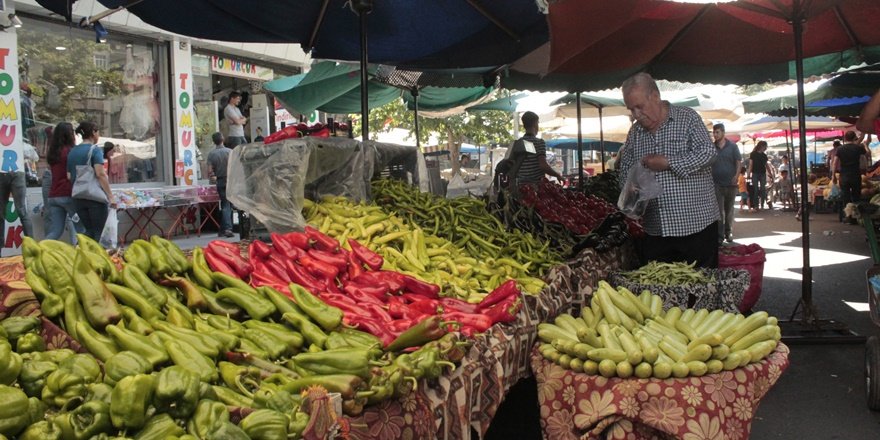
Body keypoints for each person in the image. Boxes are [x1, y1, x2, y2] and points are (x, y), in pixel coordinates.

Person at [617, 72, 719, 268]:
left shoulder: (687, 118)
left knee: (700, 289)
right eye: (631, 109)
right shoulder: (635, 133)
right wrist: (633, 190)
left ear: (655, 96)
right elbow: (625, 173)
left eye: (640, 107)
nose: (637, 114)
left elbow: (708, 153)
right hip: (657, 230)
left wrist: (669, 163)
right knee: (661, 290)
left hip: (696, 226)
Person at [68, 121, 115, 241]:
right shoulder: (95, 150)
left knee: (88, 231)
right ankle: (99, 258)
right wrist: (110, 196)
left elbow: (69, 176)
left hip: (78, 197)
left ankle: (86, 256)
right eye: (98, 132)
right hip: (95, 199)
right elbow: (100, 174)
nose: (98, 135)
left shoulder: (72, 151)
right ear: (93, 132)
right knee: (99, 232)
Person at [45, 122, 85, 241]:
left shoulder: (53, 152)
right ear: (70, 134)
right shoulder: (71, 152)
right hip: (68, 194)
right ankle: (80, 253)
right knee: (80, 229)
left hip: (54, 195)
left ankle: (40, 251)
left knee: (55, 231)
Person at [507, 111, 563, 196]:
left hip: (519, 188)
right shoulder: (539, 142)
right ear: (535, 124)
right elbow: (543, 165)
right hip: (535, 189)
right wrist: (557, 175)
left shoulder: (518, 143)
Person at [711, 123, 741, 244]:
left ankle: (728, 233)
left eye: (717, 132)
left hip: (731, 183)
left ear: (723, 132)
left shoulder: (733, 147)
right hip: (716, 184)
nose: (715, 135)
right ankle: (719, 236)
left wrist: (736, 175)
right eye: (714, 132)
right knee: (718, 212)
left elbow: (738, 162)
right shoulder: (711, 147)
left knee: (729, 210)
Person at [832, 130, 867, 223]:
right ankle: (856, 217)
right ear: (854, 138)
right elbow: (867, 154)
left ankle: (849, 217)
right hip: (855, 175)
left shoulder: (840, 149)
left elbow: (835, 163)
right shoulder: (858, 147)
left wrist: (833, 175)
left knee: (846, 197)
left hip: (844, 175)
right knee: (856, 196)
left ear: (845, 138)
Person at [207, 132, 234, 238]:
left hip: (220, 181)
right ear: (223, 139)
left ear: (214, 142)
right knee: (227, 205)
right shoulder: (230, 152)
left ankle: (222, 230)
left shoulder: (211, 154)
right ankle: (228, 228)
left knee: (225, 204)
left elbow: (210, 171)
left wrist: (213, 177)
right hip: (230, 180)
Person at [747, 141, 770, 210]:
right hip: (755, 174)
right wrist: (748, 174)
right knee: (756, 189)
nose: (766, 148)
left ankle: (762, 204)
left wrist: (770, 174)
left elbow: (767, 165)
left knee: (762, 189)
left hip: (762, 173)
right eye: (765, 146)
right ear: (762, 146)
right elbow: (751, 165)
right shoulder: (753, 154)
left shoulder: (764, 155)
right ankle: (756, 205)